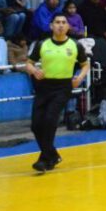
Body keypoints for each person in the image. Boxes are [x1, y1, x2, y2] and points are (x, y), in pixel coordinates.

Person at [25, 13, 89, 173]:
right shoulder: (42, 44)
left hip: (63, 87)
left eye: (63, 22)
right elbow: (28, 63)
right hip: (43, 86)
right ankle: (51, 154)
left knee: (50, 120)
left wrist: (79, 77)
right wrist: (34, 70)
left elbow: (85, 64)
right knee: (36, 124)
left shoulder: (75, 45)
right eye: (57, 22)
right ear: (51, 26)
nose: (60, 25)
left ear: (68, 27)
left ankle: (44, 159)